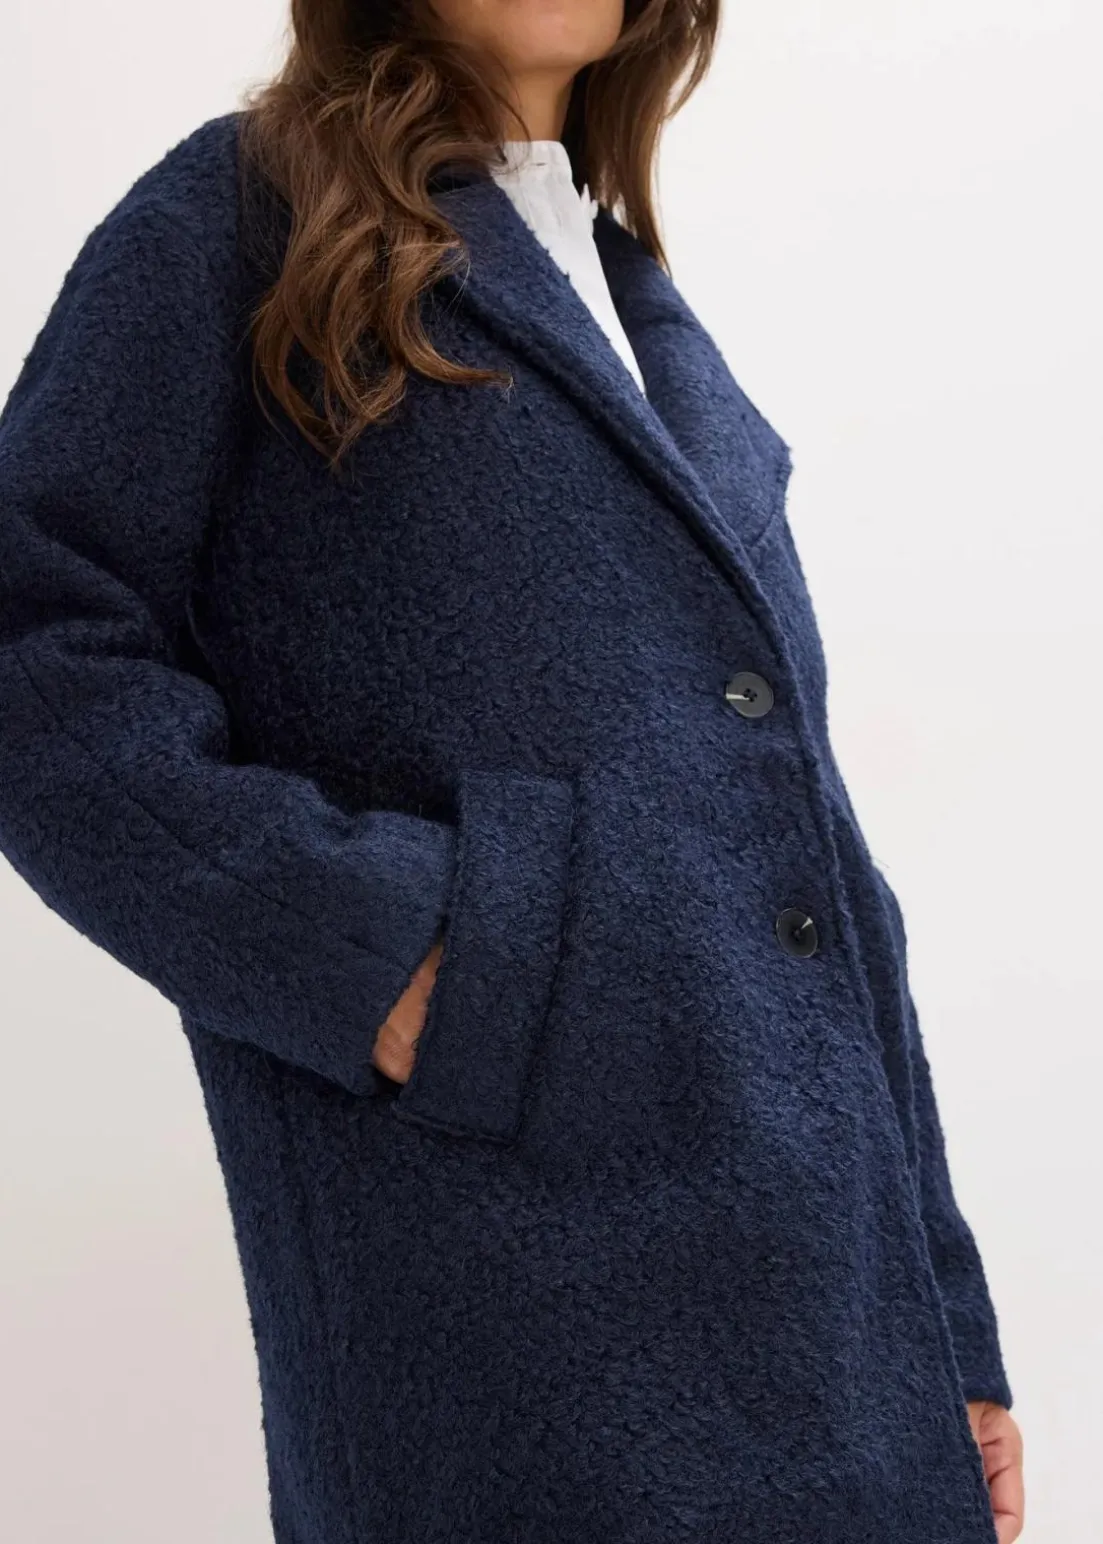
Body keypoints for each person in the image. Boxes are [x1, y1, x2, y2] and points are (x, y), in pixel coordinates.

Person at [0, 2, 1025, 1540]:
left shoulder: (620, 286)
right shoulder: (239, 216)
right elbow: (32, 650)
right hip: (509, 1315)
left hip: (831, 1339)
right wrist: (376, 955)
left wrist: (944, 1336)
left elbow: (809, 861)